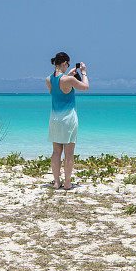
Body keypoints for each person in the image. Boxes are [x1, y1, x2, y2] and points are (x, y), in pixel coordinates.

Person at [46, 52, 89, 189]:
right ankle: (67, 183)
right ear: (65, 63)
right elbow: (85, 87)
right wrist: (83, 73)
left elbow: (59, 89)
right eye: (68, 64)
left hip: (54, 119)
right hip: (68, 119)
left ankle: (57, 182)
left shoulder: (48, 79)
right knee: (69, 154)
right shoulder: (68, 80)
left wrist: (69, 75)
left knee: (56, 152)